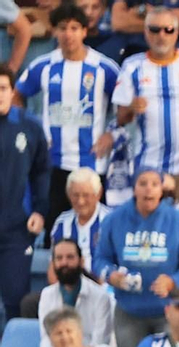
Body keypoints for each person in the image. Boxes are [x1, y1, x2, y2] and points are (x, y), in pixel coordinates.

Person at [16, 4, 121, 225]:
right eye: (63, 28)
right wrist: (31, 130)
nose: (68, 34)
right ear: (54, 31)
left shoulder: (104, 67)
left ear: (84, 31)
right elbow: (18, 95)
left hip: (91, 161)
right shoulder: (43, 66)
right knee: (54, 227)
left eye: (74, 28)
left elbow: (125, 106)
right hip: (53, 162)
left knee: (94, 228)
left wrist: (111, 134)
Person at [111, 7, 179, 204]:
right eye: (154, 29)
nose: (161, 36)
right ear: (145, 33)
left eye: (168, 30)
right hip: (147, 167)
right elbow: (121, 118)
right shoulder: (132, 66)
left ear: (177, 33)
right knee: (149, 229)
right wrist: (132, 106)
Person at [97, 168, 179, 347]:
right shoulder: (114, 220)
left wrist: (174, 281)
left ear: (161, 189)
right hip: (128, 311)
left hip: (168, 312)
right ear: (134, 188)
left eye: (154, 184)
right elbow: (100, 259)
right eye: (143, 184)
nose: (149, 190)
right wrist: (111, 274)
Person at [0, 67, 49, 320]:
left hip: (16, 229)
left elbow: (41, 172)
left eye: (3, 88)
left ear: (12, 91)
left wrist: (40, 211)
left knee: (16, 301)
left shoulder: (29, 126)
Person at [37, 238, 115, 347]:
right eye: (59, 258)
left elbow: (100, 342)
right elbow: (47, 339)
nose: (64, 263)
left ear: (81, 261)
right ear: (53, 264)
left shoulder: (100, 296)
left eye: (70, 257)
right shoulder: (47, 295)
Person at [49, 167, 111, 277]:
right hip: (70, 290)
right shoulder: (62, 223)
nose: (80, 201)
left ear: (98, 194)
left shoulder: (112, 221)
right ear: (68, 195)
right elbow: (53, 270)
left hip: (105, 290)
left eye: (86, 195)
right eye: (75, 195)